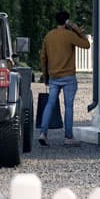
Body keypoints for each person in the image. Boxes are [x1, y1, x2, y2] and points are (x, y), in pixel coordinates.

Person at [39, 10, 91, 146]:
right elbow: (87, 44)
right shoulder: (69, 35)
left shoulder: (49, 36)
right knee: (68, 106)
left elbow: (43, 58)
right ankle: (68, 137)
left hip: (53, 76)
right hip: (68, 76)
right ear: (67, 21)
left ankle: (43, 133)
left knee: (50, 103)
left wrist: (45, 77)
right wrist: (76, 29)